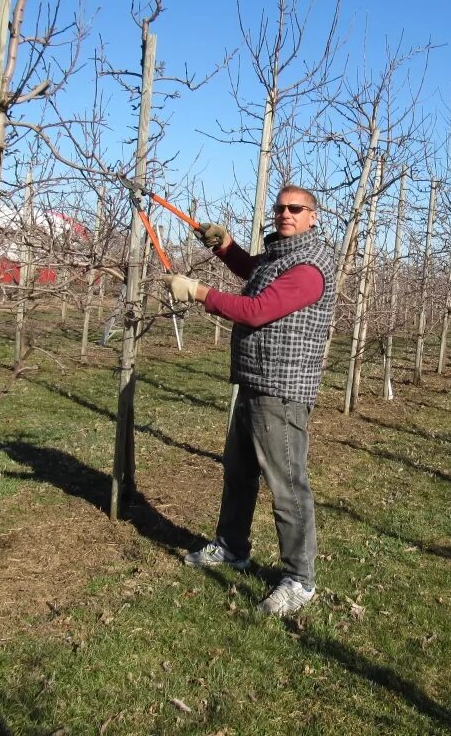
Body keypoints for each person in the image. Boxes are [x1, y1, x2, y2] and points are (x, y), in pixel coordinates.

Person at [164, 186, 337, 617]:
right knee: (238, 471)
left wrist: (199, 291)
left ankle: (300, 579)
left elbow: (258, 309)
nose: (285, 214)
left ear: (313, 216)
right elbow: (254, 270)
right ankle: (231, 546)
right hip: (253, 381)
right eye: (280, 208)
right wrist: (225, 246)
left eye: (295, 209)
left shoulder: (310, 267)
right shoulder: (281, 255)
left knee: (287, 487)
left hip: (281, 391)